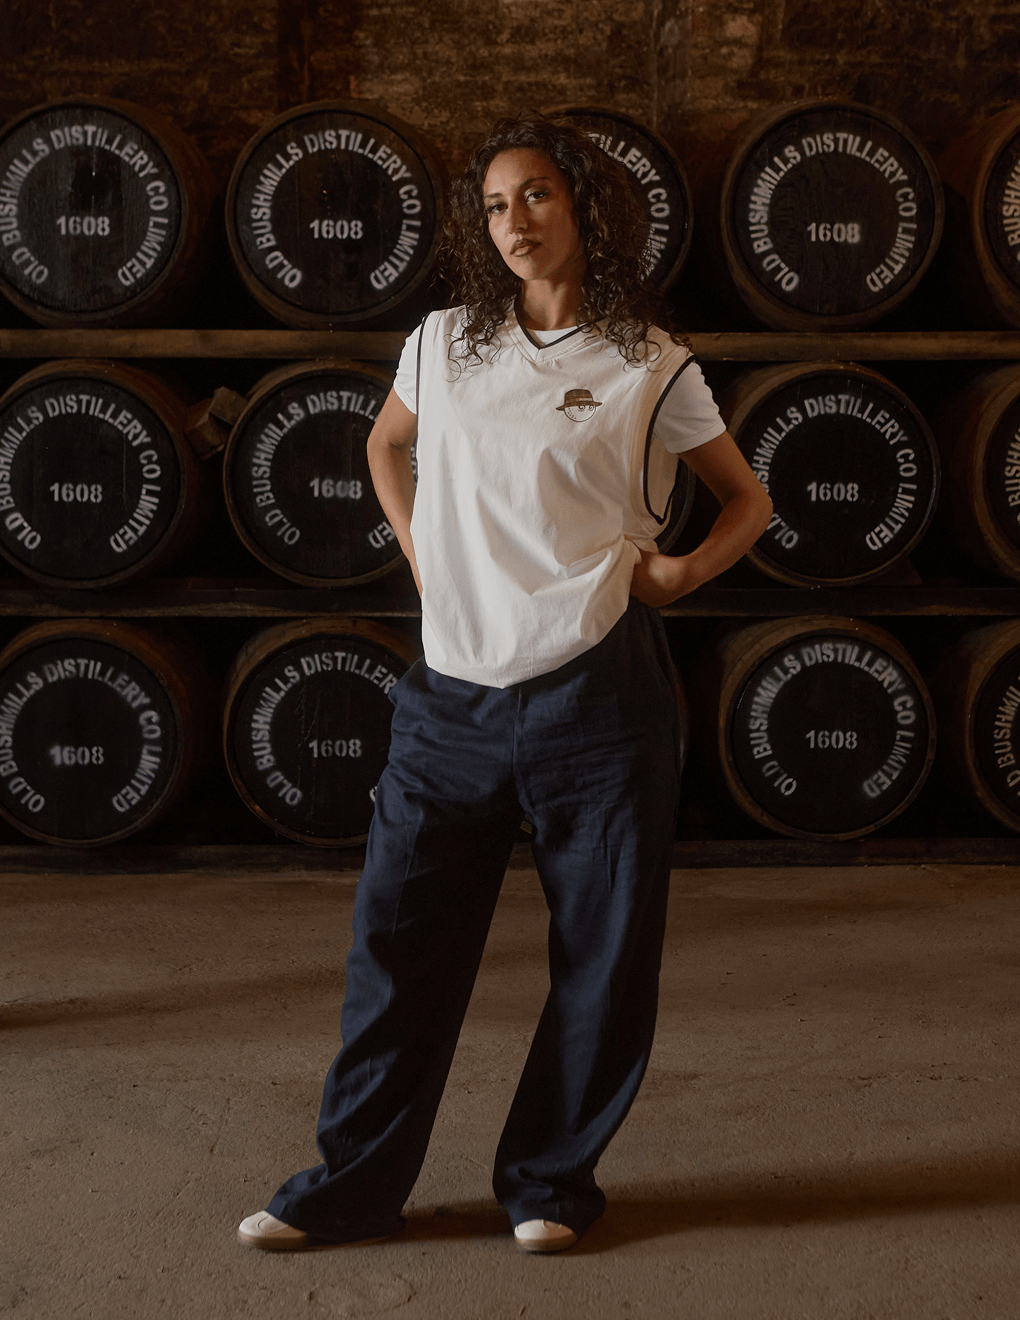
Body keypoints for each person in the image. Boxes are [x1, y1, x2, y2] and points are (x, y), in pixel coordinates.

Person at [237, 113, 772, 1255]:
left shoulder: (649, 361)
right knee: (397, 949)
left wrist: (678, 573)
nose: (514, 222)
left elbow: (748, 499)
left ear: (583, 207)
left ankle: (547, 1184)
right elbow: (387, 446)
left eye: (535, 196)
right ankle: (346, 1187)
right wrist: (422, 551)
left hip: (600, 695)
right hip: (449, 701)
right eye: (492, 206)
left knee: (603, 954)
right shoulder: (441, 343)